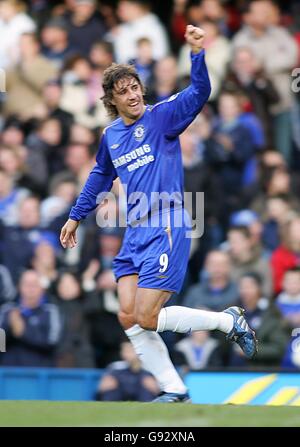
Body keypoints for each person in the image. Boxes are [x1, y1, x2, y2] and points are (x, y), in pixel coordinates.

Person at [60, 25, 257, 403]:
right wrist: (75, 215)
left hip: (167, 223)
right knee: (127, 316)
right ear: (111, 100)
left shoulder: (162, 117)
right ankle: (175, 389)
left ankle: (226, 321)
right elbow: (100, 175)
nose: (133, 94)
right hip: (134, 230)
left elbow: (200, 92)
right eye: (124, 91)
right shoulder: (112, 136)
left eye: (135, 87)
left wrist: (197, 54)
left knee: (148, 318)